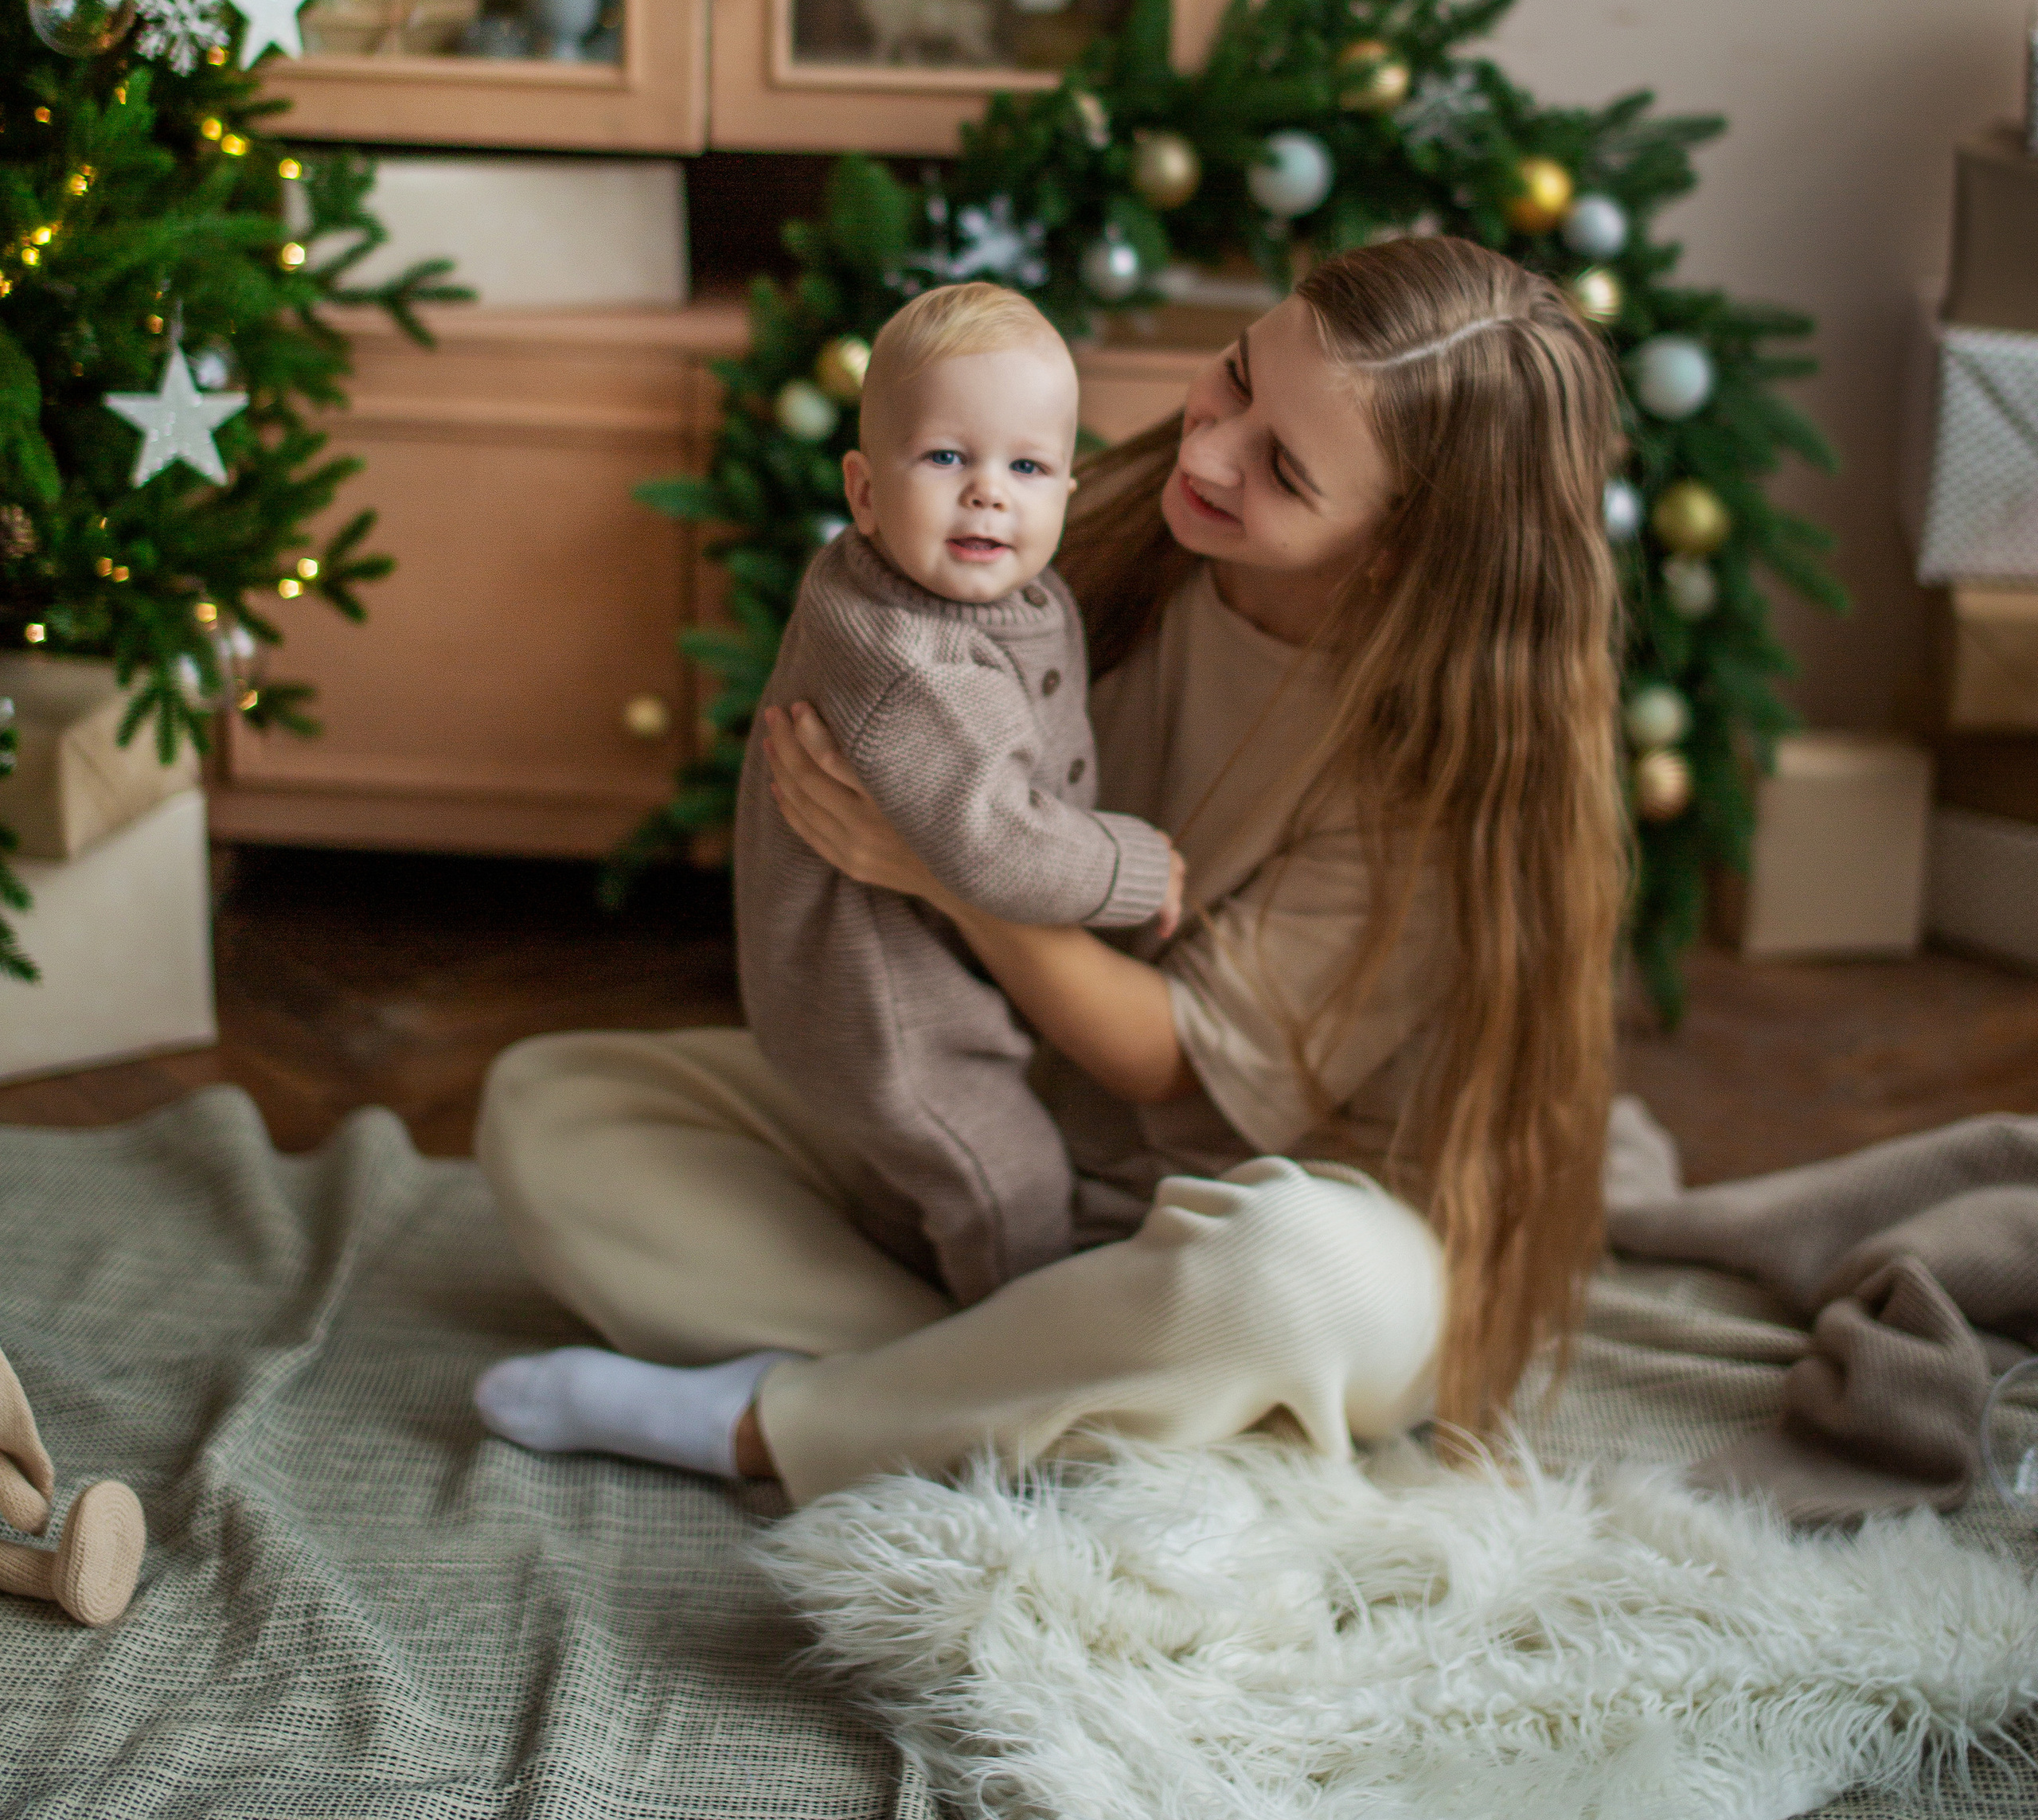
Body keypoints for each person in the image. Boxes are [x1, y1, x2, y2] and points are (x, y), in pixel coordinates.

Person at [473, 236, 1626, 1508]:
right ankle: (1055, 1389)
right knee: (552, 1111)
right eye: (1238, 378)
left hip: (1262, 1211)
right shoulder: (1103, 534)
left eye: (1285, 469)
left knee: (1288, 1276)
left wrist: (941, 869)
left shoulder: (1442, 776)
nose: (1207, 452)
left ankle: (789, 1421)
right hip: (1019, 1125)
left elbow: (1165, 1059)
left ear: (1400, 545)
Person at [732, 281, 1181, 1309]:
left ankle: (899, 1289)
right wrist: (1132, 866)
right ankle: (1010, 1353)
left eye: (1027, 467)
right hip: (886, 1006)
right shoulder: (906, 661)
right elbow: (997, 843)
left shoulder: (1007, 588)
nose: (988, 494)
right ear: (863, 491)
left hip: (938, 965)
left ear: (1067, 488)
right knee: (1004, 1177)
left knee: (927, 1174)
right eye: (945, 458)